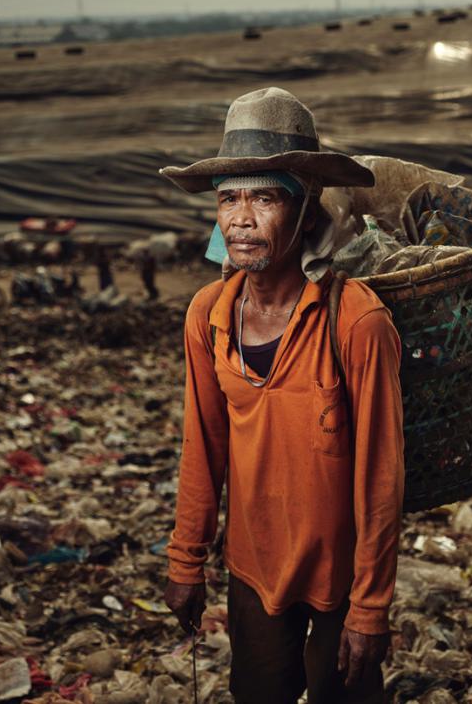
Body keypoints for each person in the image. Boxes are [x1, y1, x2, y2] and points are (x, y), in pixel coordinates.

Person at [158, 87, 404, 704]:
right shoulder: (208, 314)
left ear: (303, 208)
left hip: (341, 573)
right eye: (228, 200)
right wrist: (186, 560)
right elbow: (203, 445)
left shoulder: (355, 320)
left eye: (264, 198)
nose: (241, 218)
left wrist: (370, 608)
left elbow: (381, 476)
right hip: (252, 562)